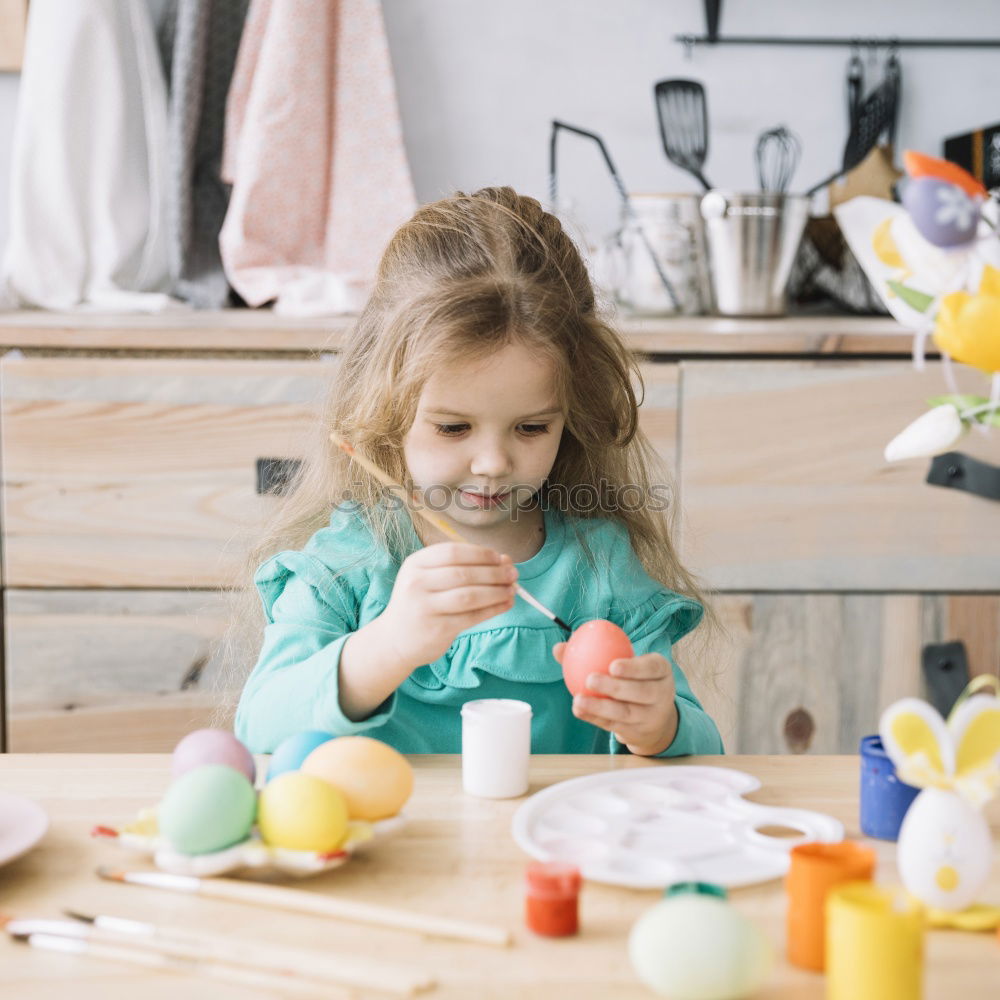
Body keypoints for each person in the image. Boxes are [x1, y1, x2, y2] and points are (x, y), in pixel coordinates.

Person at [232, 186, 723, 757]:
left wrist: (658, 725)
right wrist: (388, 643)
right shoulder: (346, 568)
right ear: (384, 416)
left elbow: (706, 751)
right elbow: (260, 726)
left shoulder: (600, 569)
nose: (493, 463)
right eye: (453, 428)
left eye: (532, 427)